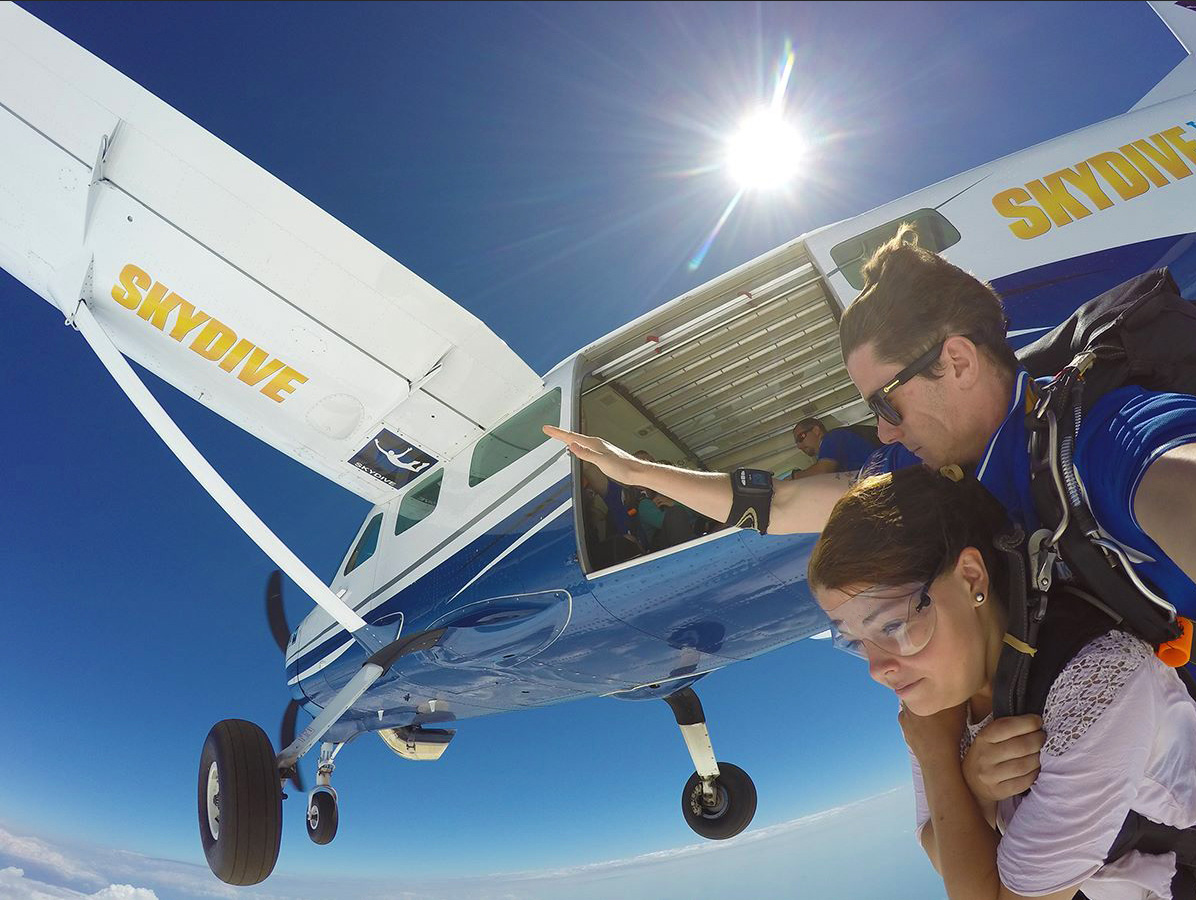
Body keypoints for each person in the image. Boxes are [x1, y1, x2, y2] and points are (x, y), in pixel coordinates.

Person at [544, 224, 1196, 613]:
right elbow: (773, 505)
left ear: (958, 362)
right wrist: (634, 471)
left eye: (885, 401)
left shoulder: (1105, 438)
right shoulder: (924, 467)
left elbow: (1171, 478)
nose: (881, 431)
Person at [808, 466, 1196, 900]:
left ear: (971, 577)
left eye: (893, 625)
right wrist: (973, 790)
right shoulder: (936, 690)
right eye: (855, 641)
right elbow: (940, 850)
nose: (877, 669)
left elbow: (960, 863)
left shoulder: (1098, 681)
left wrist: (939, 759)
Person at [783, 417, 879, 480]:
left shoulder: (832, 438)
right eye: (797, 443)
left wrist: (793, 477)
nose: (799, 446)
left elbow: (823, 471)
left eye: (801, 437)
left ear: (816, 430)